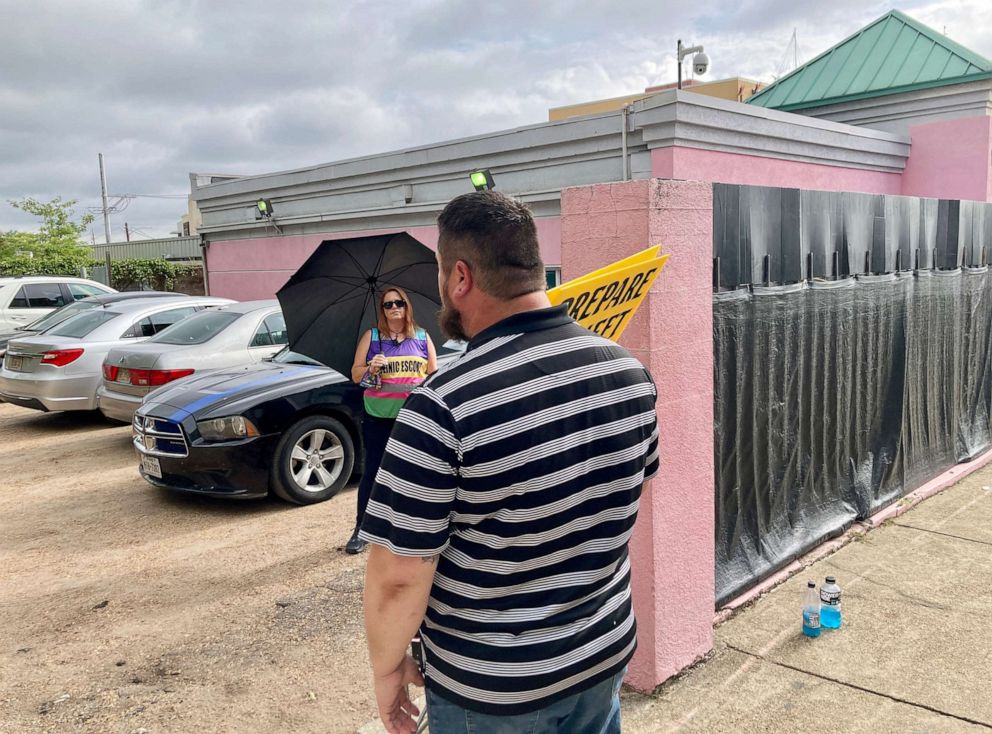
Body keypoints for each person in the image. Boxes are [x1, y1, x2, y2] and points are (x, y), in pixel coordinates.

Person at [360, 191, 659, 734]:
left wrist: (387, 671)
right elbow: (619, 497)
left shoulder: (441, 405)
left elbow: (399, 576)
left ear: (461, 278)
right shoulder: (629, 372)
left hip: (493, 691)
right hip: (601, 655)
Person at [347, 286, 437, 554]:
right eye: (388, 304)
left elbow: (433, 374)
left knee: (414, 473)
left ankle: (412, 528)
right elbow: (355, 374)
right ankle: (361, 529)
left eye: (399, 303)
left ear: (407, 306)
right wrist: (370, 368)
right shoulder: (372, 337)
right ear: (382, 310)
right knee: (373, 473)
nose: (394, 307)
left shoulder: (422, 337)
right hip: (378, 417)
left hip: (412, 419)